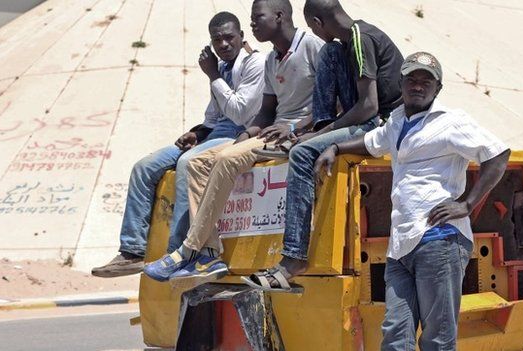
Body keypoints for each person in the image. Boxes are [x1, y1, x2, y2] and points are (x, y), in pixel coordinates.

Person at [313, 52, 510, 350]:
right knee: (395, 334)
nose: (418, 86)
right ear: (401, 83)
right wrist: (336, 147)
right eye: (412, 79)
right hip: (401, 245)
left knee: (437, 338)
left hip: (439, 240)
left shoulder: (451, 121)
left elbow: (497, 154)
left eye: (426, 81)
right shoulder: (397, 120)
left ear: (438, 88)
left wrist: (467, 205)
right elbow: (373, 142)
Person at [143, 0, 325, 282]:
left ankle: (188, 250)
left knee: (227, 159)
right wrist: (244, 136)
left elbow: (331, 104)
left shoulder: (312, 48)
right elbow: (266, 111)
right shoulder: (271, 59)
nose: (253, 24)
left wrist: (292, 126)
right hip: (271, 133)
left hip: (299, 134)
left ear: (279, 16)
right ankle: (209, 254)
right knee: (196, 162)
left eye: (257, 18)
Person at [242, 0, 404, 290]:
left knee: (302, 152)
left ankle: (294, 258)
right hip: (367, 116)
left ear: (317, 23)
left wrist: (318, 137)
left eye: (312, 28)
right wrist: (311, 128)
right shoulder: (345, 41)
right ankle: (317, 133)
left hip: (384, 123)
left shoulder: (360, 39)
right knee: (329, 53)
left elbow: (368, 107)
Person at [91, 12, 266, 278]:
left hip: (240, 134)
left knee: (187, 163)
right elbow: (213, 117)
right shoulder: (221, 69)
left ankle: (179, 251)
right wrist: (197, 133)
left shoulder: (254, 63)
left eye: (229, 37)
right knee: (144, 167)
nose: (223, 45)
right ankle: (132, 251)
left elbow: (240, 113)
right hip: (214, 133)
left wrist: (212, 76)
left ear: (242, 37)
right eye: (217, 40)